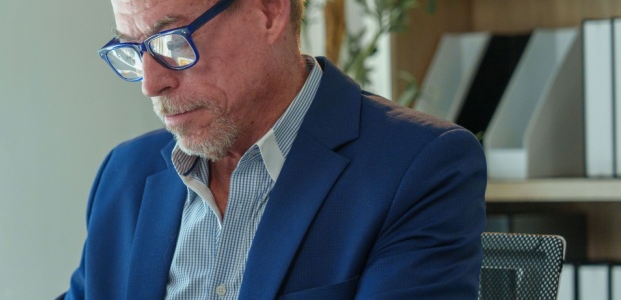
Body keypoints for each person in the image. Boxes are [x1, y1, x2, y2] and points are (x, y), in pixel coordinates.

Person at [62, 0, 487, 298]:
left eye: (173, 43)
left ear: (268, 11)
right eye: (133, 52)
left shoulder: (418, 167)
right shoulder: (125, 176)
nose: (150, 84)